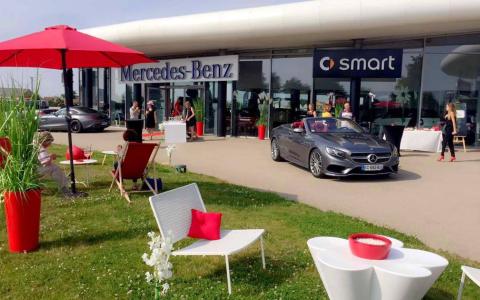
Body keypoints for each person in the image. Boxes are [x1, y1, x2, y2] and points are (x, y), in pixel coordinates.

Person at [37, 132, 72, 196]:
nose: (50, 144)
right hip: (35, 171)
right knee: (55, 168)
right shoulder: (40, 148)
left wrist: (49, 157)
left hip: (31, 169)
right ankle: (64, 188)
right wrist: (51, 157)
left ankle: (64, 180)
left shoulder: (36, 146)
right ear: (45, 141)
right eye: (49, 142)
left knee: (53, 166)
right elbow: (45, 163)